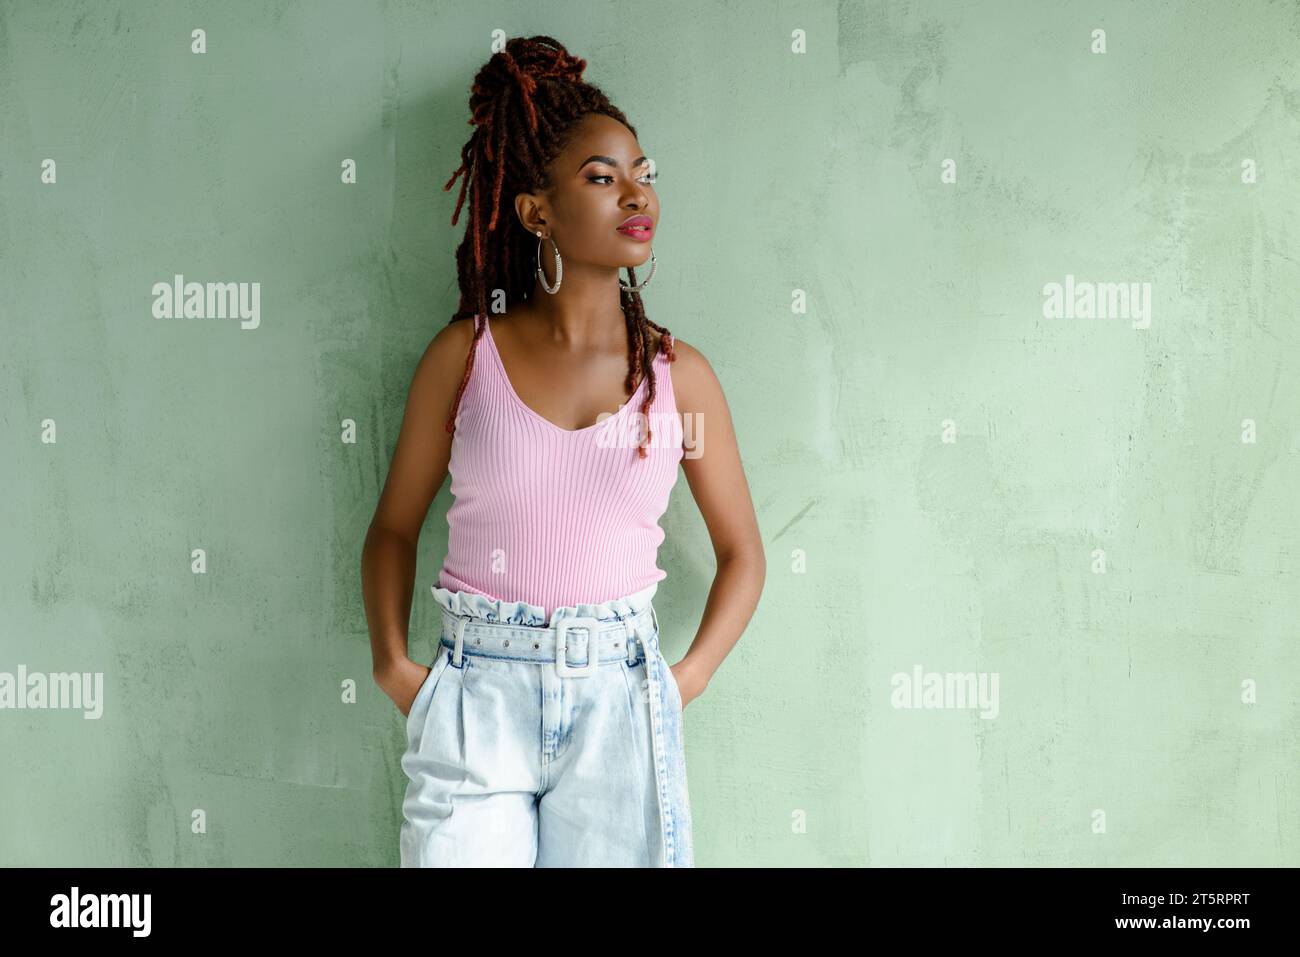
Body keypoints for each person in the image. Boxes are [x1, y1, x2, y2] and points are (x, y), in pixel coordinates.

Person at [360, 35, 765, 867]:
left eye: (644, 173)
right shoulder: (462, 359)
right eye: (603, 177)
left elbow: (743, 554)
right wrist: (397, 667)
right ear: (535, 212)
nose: (636, 193)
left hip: (620, 696)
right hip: (476, 696)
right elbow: (393, 528)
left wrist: (680, 682)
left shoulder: (679, 378)